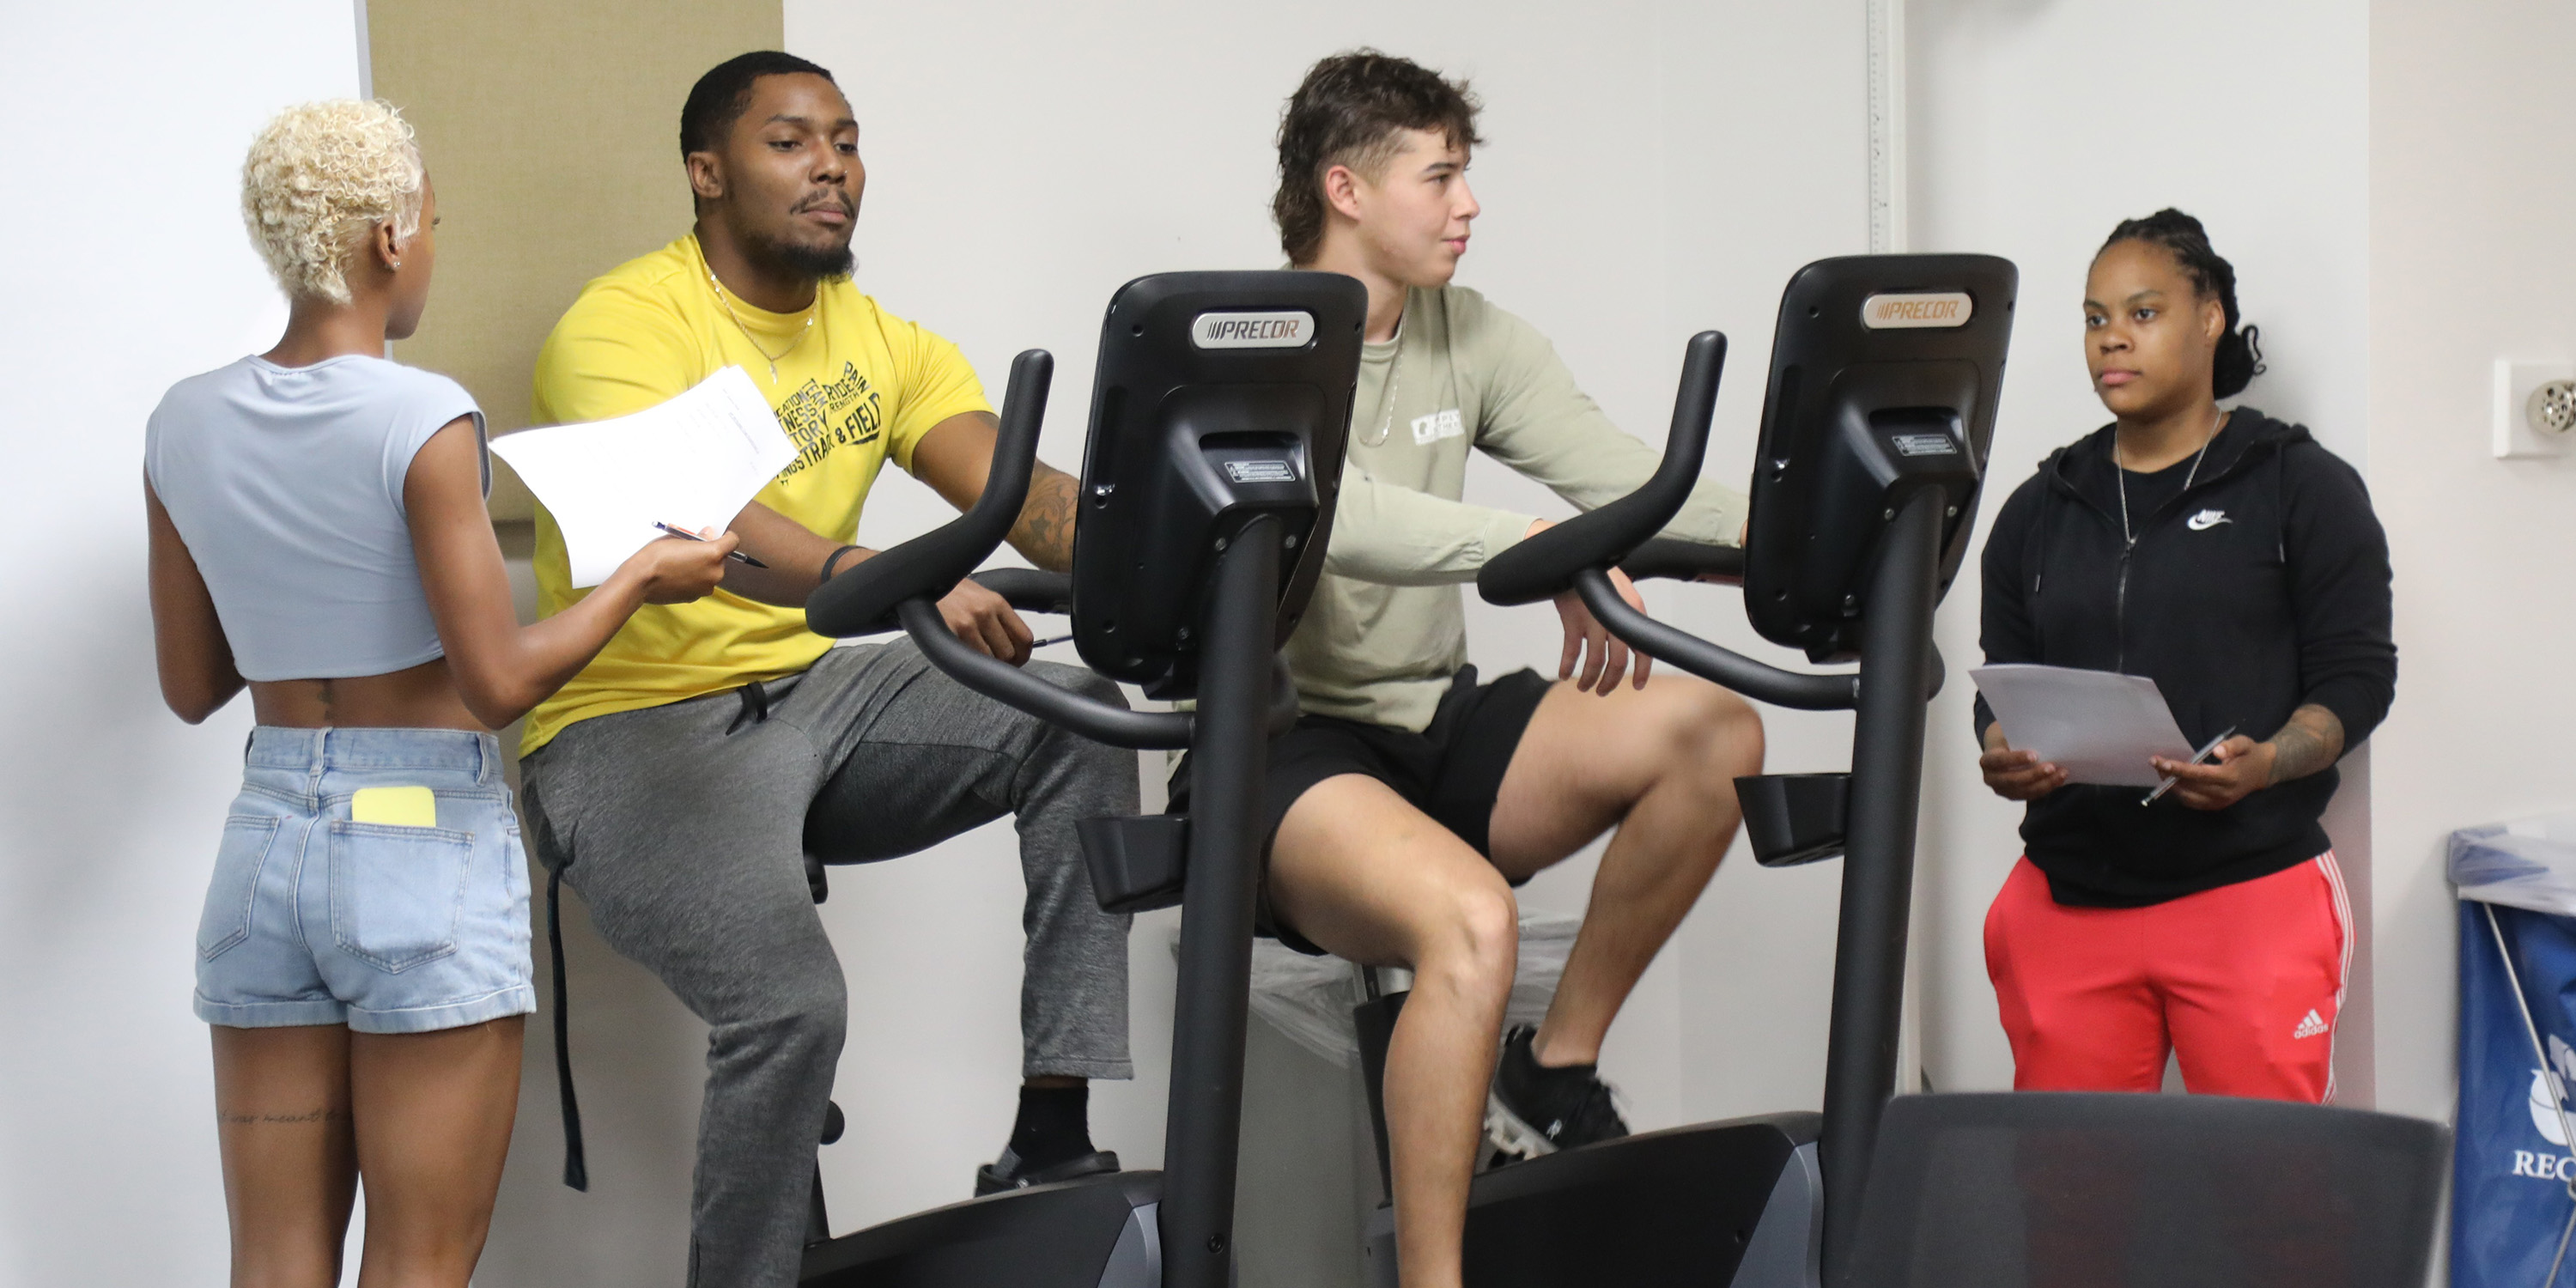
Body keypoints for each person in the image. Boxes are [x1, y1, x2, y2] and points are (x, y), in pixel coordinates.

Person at [514, 51, 1138, 1286]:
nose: (832, 168)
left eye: (846, 142)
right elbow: (719, 534)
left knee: (1074, 714)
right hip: (628, 729)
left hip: (814, 698)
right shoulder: (622, 325)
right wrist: (897, 574)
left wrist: (1181, 550)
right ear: (707, 172)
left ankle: (1051, 1132)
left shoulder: (881, 341)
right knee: (792, 1011)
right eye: (791, 141)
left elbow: (1019, 498)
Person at [1196, 52, 1766, 1288]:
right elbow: (1340, 517)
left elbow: (1623, 479)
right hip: (1289, 756)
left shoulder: (1470, 333)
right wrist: (1535, 547)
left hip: (1437, 727)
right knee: (1472, 921)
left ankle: (1551, 1070)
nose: (1468, 205)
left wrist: (1803, 544)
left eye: (1467, 175)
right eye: (1439, 177)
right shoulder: (1256, 343)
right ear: (1346, 189)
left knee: (1715, 734)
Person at [146, 100, 733, 1288]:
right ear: (389, 237)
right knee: (419, 1263)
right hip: (416, 843)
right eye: (432, 223)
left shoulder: (183, 419)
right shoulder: (422, 413)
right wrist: (641, 575)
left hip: (265, 844)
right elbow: (499, 681)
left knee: (272, 1260)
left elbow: (193, 684)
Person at [1975, 209, 2394, 1103]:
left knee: (2265, 1179)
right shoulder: (2038, 508)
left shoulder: (2299, 485)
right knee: (2071, 1177)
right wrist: (2003, 748)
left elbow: (2358, 677)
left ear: (2209, 320)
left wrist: (2269, 762)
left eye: (2143, 312)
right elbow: (2002, 680)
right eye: (2095, 318)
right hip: (2067, 899)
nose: (2112, 338)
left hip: (2250, 893)